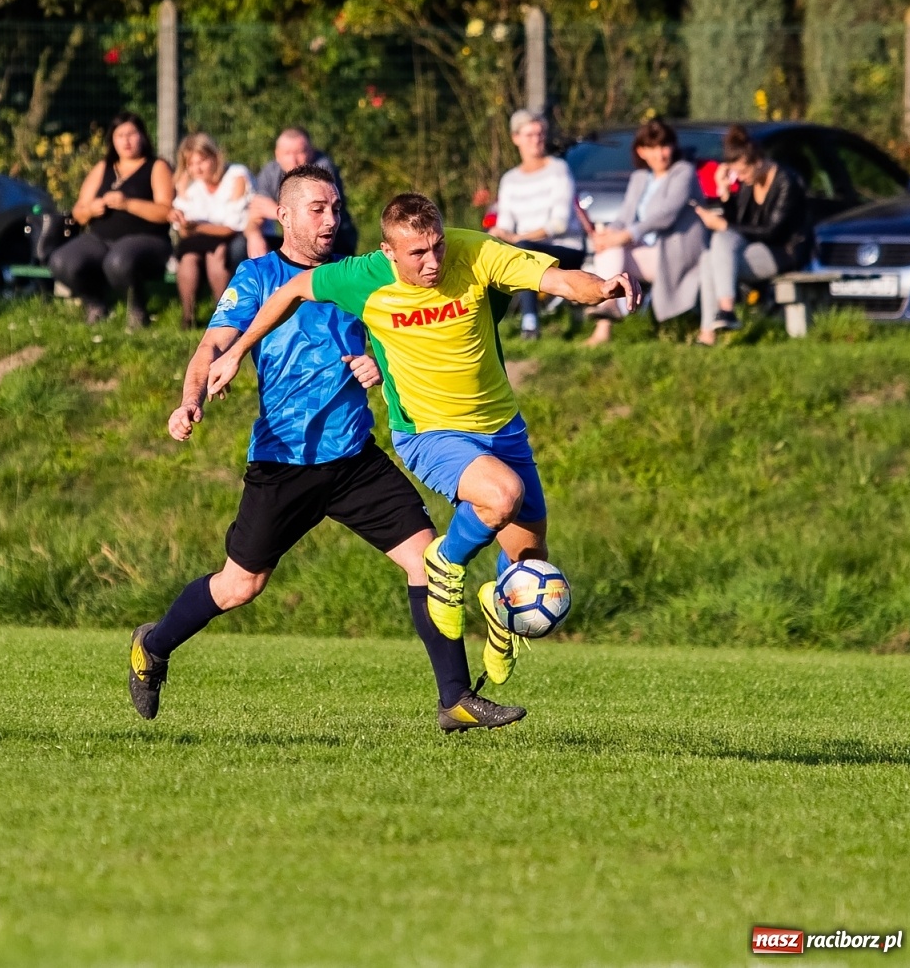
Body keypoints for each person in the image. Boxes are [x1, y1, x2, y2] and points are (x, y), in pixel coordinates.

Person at [129, 166, 526, 734]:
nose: (330, 219)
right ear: (284, 215)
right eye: (317, 209)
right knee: (240, 585)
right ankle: (153, 645)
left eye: (335, 208)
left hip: (354, 458)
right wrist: (190, 399)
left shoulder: (357, 277)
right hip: (284, 462)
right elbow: (211, 346)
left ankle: (455, 699)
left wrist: (375, 363)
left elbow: (402, 339)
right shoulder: (259, 276)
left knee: (429, 562)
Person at [206, 193, 637, 689]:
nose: (433, 262)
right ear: (389, 252)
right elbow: (292, 290)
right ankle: (446, 565)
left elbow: (557, 279)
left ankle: (501, 615)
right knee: (502, 496)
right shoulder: (362, 276)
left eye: (437, 247)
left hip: (502, 428)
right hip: (429, 432)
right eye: (418, 253)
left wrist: (601, 288)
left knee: (527, 565)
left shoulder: (476, 252)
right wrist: (236, 352)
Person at [581, 118, 707, 345]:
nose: (660, 154)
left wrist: (625, 236)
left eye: (664, 146)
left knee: (613, 248)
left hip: (674, 252)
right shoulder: (640, 177)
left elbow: (666, 215)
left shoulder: (684, 172)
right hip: (644, 250)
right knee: (608, 249)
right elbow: (624, 216)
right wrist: (608, 235)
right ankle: (607, 315)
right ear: (641, 151)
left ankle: (606, 320)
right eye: (653, 148)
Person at [51, 112, 175, 328]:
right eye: (120, 135)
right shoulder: (103, 167)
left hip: (148, 239)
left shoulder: (157, 166)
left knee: (117, 262)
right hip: (100, 239)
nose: (126, 141)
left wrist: (128, 203)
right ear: (112, 140)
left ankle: (137, 308)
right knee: (61, 261)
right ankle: (95, 304)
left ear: (143, 136)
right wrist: (91, 210)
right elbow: (78, 212)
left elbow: (166, 211)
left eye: (131, 134)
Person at [693, 125, 809, 345]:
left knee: (716, 252)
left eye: (743, 172)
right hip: (754, 247)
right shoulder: (749, 181)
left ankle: (721, 316)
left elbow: (772, 231)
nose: (740, 177)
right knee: (710, 254)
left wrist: (723, 224)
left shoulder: (787, 182)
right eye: (736, 173)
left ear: (758, 161)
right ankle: (712, 328)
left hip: (783, 251)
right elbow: (737, 223)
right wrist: (724, 193)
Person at [488, 109, 584, 340]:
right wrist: (498, 233)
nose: (536, 140)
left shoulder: (558, 169)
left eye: (540, 134)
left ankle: (530, 322)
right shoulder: (509, 180)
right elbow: (506, 222)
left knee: (525, 251)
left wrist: (518, 238)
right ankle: (487, 322)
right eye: (530, 135)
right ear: (516, 138)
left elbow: (559, 224)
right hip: (526, 245)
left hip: (565, 247)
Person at [169, 132, 252, 329]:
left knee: (217, 254)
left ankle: (222, 314)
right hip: (202, 237)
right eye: (190, 164)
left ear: (215, 157)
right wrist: (181, 203)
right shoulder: (190, 185)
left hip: (234, 236)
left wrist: (196, 226)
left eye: (202, 161)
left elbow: (232, 226)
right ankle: (188, 317)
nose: (196, 168)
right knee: (188, 257)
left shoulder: (237, 176)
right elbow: (184, 232)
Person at [244, 127, 359, 259]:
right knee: (244, 246)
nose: (293, 160)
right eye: (287, 153)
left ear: (311, 152)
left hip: (334, 237)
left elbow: (314, 215)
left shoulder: (322, 170)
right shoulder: (270, 173)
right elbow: (255, 213)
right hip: (295, 240)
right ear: (277, 154)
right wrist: (254, 235)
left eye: (299, 152)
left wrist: (276, 211)